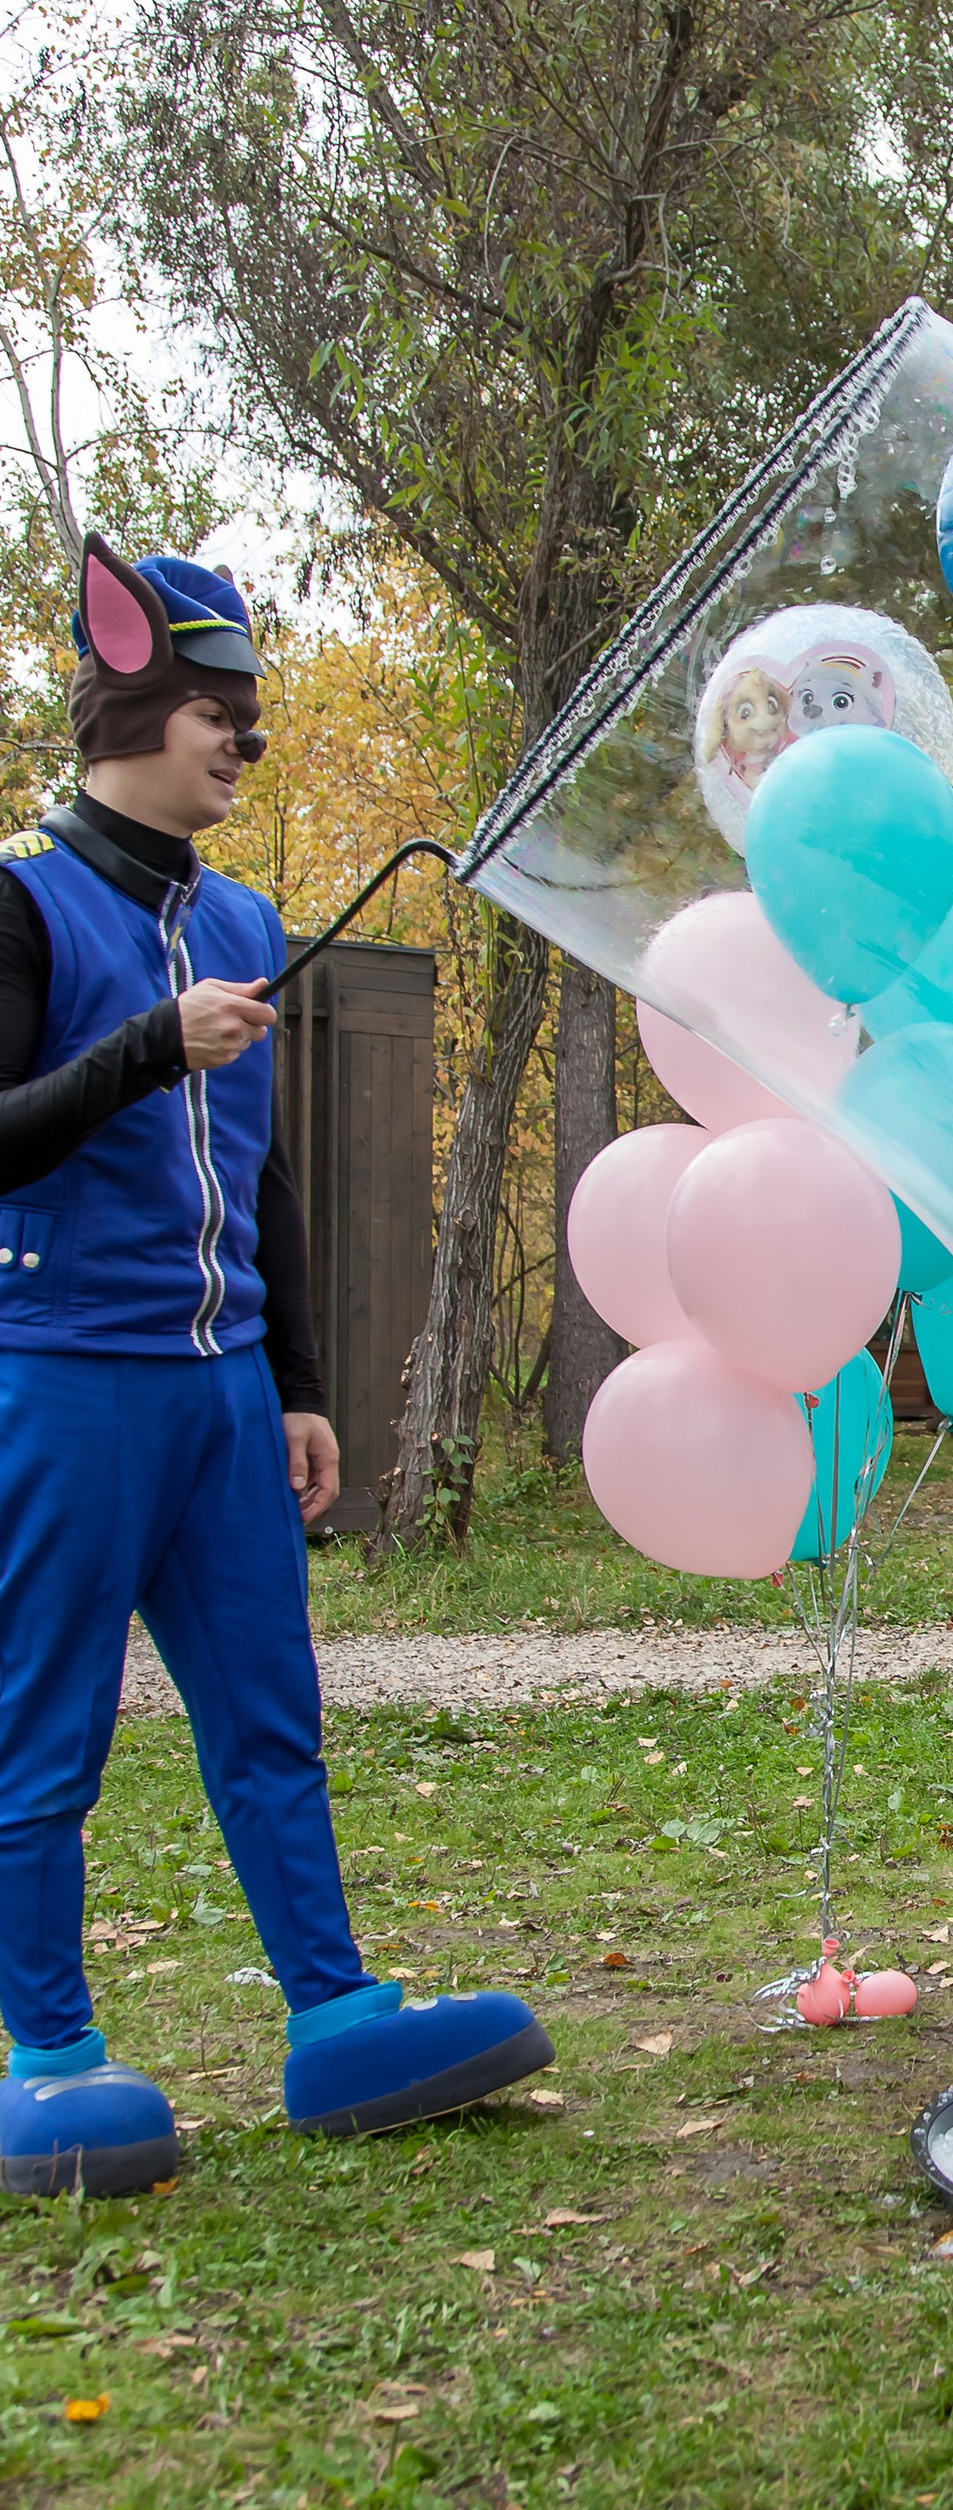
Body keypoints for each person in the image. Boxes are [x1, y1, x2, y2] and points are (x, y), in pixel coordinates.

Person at [0, 535, 553, 2199]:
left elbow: (269, 1175)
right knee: (44, 1729)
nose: (242, 739)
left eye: (251, 713)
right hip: (61, 1375)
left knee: (271, 1713)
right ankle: (45, 2055)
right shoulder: (22, 902)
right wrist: (149, 1047)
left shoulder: (243, 916)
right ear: (132, 705)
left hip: (226, 1392)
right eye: (216, 711)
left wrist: (301, 1382)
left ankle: (335, 2012)